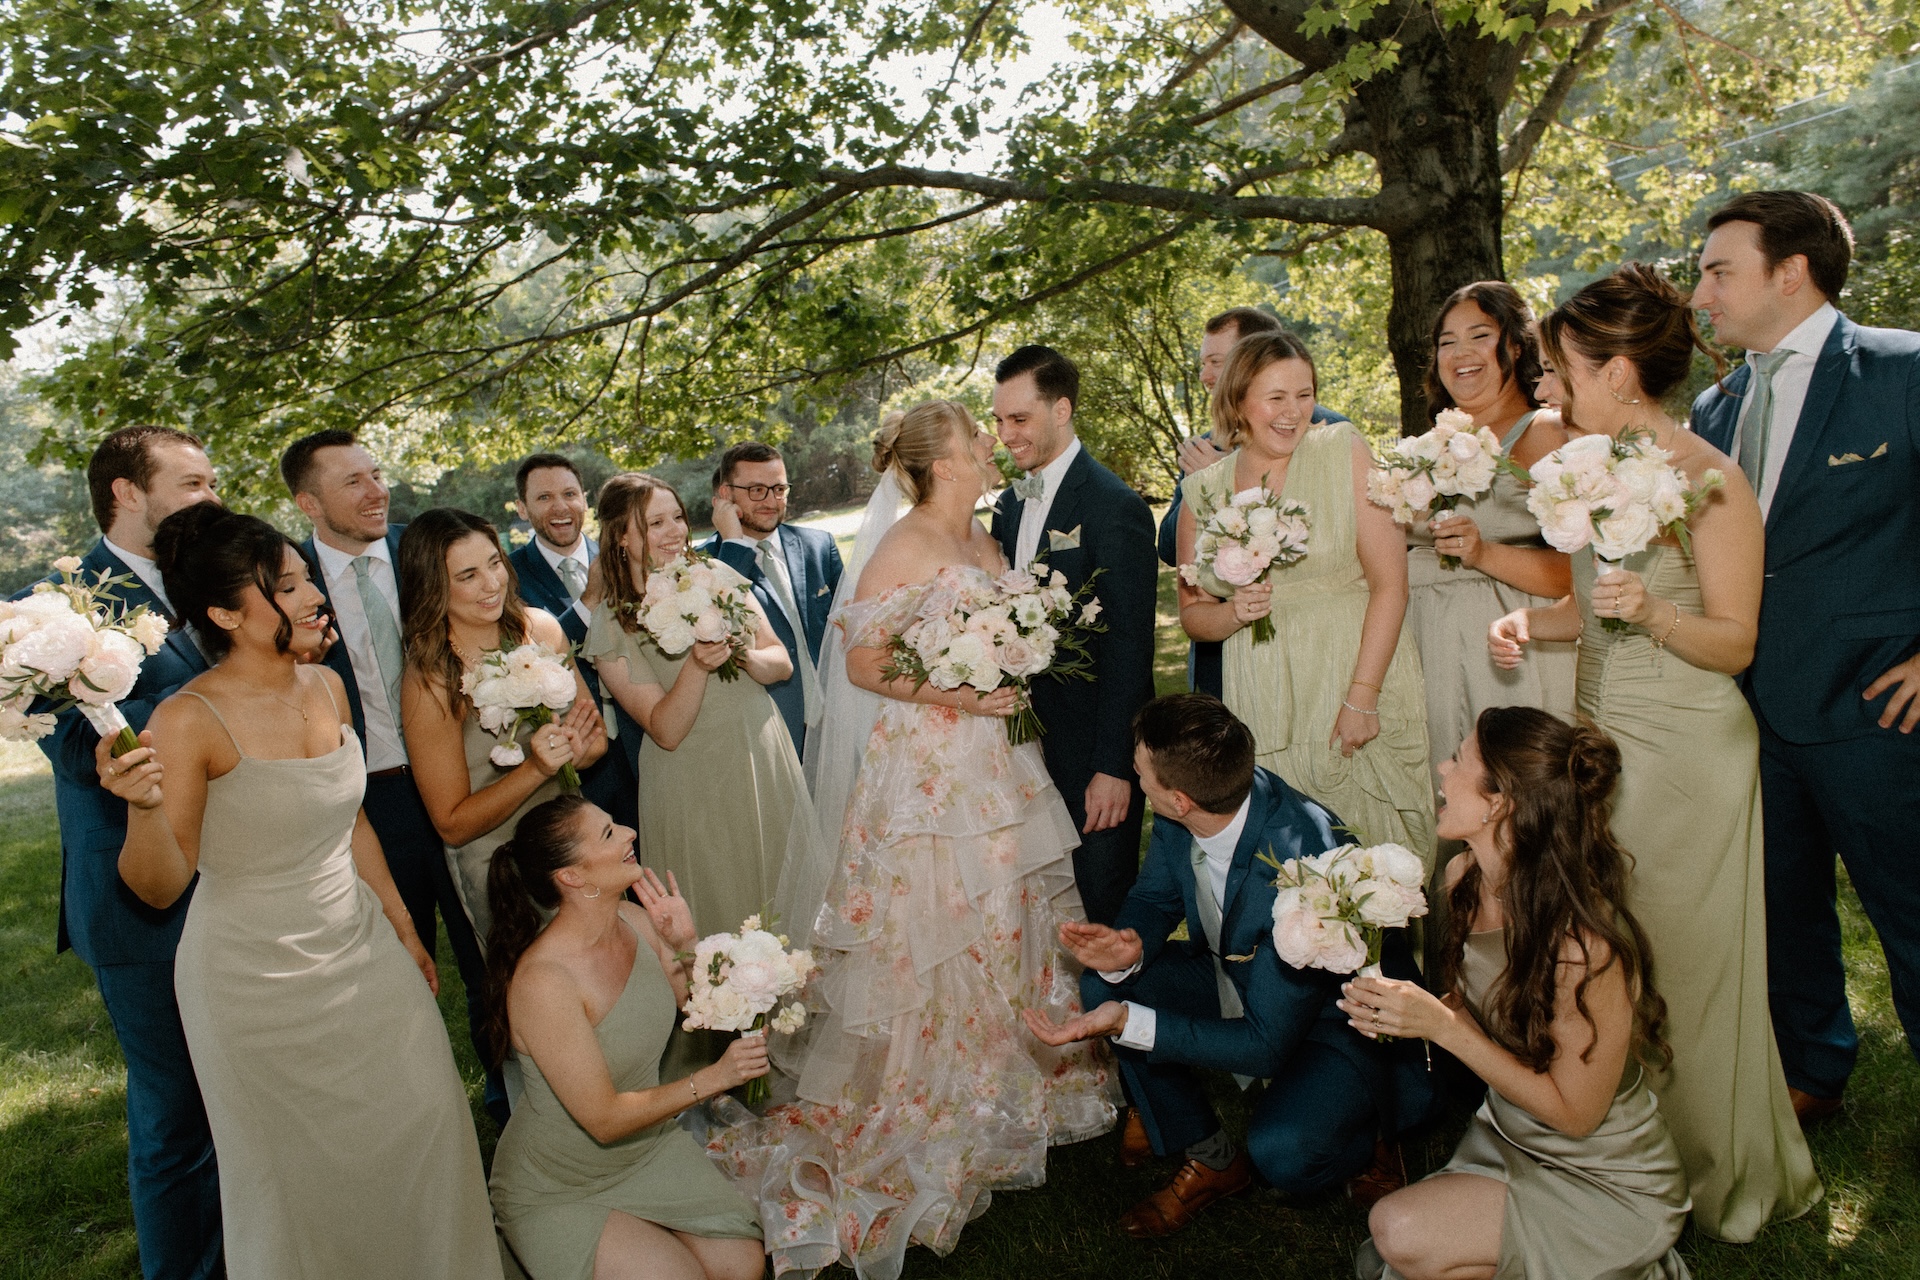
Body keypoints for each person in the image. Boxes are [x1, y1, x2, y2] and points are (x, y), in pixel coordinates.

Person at [708, 402, 1116, 1280]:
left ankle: (1012, 1070)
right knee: (936, 914)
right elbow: (861, 664)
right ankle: (932, 1087)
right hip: (931, 766)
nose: (990, 448)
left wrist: (1009, 662)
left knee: (1010, 907)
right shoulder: (904, 546)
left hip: (1000, 756)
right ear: (941, 461)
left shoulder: (987, 541)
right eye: (978, 439)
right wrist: (970, 694)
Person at [1490, 263, 1821, 1241]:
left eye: (1562, 369)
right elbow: (1591, 613)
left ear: (1622, 372)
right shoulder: (1588, 471)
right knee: (1612, 965)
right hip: (1602, 749)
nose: (1548, 387)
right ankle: (1633, 1167)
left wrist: (1658, 611)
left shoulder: (1710, 479)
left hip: (1687, 753)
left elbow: (1736, 640)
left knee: (1689, 967)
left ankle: (1725, 1170)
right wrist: (1530, 626)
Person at [99, 505, 501, 1279]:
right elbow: (157, 887)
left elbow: (350, 825)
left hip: (362, 953)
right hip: (253, 986)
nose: (313, 592)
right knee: (303, 1185)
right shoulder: (187, 720)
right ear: (224, 613)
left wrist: (404, 928)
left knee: (426, 1129)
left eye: (306, 575)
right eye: (287, 586)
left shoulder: (325, 687)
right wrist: (143, 809)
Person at [1025, 694, 1434, 1238]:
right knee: (1105, 983)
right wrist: (1131, 943)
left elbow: (1265, 1046)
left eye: (1140, 770)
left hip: (1333, 1020)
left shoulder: (1298, 869)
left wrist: (1130, 1024)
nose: (1134, 776)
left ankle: (1373, 1132)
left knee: (1283, 1155)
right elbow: (1154, 898)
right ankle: (1212, 1158)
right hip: (1237, 973)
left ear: (1180, 798)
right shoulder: (1208, 796)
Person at [1688, 190, 1920, 1127]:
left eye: (1716, 270)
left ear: (1791, 271)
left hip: (1877, 711)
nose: (1699, 291)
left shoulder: (1903, 369)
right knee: (1783, 912)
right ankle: (1814, 1068)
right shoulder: (1716, 402)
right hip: (1748, 709)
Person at [1348, 707, 1690, 1280]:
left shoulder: (1584, 948)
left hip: (1603, 1174)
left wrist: (1442, 1028)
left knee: (1396, 1229)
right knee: (1409, 1251)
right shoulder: (1461, 879)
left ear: (1498, 802)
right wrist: (1398, 1006)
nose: (1441, 766)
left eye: (1458, 759)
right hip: (1510, 1138)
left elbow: (1576, 1116)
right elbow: (1465, 1010)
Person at [25, 426, 223, 1280]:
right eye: (192, 482)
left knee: (239, 1104)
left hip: (237, 881)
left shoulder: (208, 578)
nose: (212, 496)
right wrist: (217, 697)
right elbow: (73, 749)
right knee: (178, 1119)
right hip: (140, 901)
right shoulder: (59, 608)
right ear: (126, 493)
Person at [281, 430, 504, 1122]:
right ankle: (419, 1114)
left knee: (493, 951)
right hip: (367, 803)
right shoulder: (287, 589)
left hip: (470, 780)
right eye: (353, 482)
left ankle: (512, 1100)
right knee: (394, 965)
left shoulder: (428, 554)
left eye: (377, 474)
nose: (377, 490)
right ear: (307, 502)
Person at [581, 473, 811, 1073]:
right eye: (654, 523)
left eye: (677, 518)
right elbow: (663, 727)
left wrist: (738, 652)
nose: (673, 532)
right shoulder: (612, 624)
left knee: (782, 894)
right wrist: (698, 666)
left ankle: (799, 1038)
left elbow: (779, 662)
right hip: (692, 781)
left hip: (758, 755)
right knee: (717, 911)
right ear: (621, 538)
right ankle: (732, 1066)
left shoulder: (718, 575)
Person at [483, 795, 766, 1280]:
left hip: (645, 1147)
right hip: (560, 1181)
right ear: (572, 877)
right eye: (609, 834)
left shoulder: (636, 922)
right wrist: (713, 1078)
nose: (630, 832)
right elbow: (605, 1120)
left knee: (743, 1265)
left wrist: (684, 945)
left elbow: (693, 1010)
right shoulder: (544, 982)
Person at [1177, 332, 1434, 860]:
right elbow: (1193, 616)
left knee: (1377, 853)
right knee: (1293, 860)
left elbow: (1391, 586)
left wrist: (1361, 698)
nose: (1293, 412)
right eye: (1276, 397)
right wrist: (1231, 614)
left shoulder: (1343, 451)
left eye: (1305, 394)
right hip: (1263, 690)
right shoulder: (1203, 491)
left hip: (1351, 671)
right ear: (1237, 402)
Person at [990, 345, 1159, 924]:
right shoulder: (1009, 507)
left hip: (1092, 755)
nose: (1005, 435)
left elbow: (1132, 648)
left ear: (1061, 410)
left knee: (1100, 904)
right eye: (998, 420)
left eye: (1019, 419)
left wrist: (1114, 766)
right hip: (1023, 746)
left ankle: (1119, 1015)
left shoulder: (1115, 506)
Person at [398, 508, 607, 945]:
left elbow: (593, 738)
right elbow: (451, 824)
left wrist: (581, 750)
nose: (492, 584)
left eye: (494, 563)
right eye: (468, 575)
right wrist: (536, 769)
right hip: (500, 865)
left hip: (573, 838)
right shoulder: (432, 680)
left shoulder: (542, 630)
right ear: (434, 587)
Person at [1404, 282, 1574, 786]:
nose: (1460, 354)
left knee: (1503, 794)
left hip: (1500, 654)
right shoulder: (1428, 444)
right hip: (1421, 644)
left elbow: (1578, 574)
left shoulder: (1542, 431)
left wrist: (1483, 552)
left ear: (1515, 347)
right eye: (1446, 342)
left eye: (1480, 335)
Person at [1156, 307, 1350, 698]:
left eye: (1216, 362)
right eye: (1203, 364)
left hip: (1317, 649)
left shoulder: (1325, 431)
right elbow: (1168, 548)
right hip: (1221, 653)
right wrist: (1205, 484)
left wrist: (1232, 477)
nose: (1207, 376)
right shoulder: (1205, 443)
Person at [507, 451, 642, 831]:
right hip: (576, 755)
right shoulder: (506, 576)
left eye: (569, 494)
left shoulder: (626, 554)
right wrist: (587, 605)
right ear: (522, 507)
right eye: (544, 497)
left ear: (585, 499)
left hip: (647, 737)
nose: (560, 507)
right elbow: (527, 655)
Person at [707, 441, 846, 758]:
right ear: (726, 496)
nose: (771, 501)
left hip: (837, 723)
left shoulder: (819, 546)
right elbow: (719, 622)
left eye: (779, 489)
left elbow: (852, 624)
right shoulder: (704, 566)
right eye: (757, 490)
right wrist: (733, 545)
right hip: (766, 734)